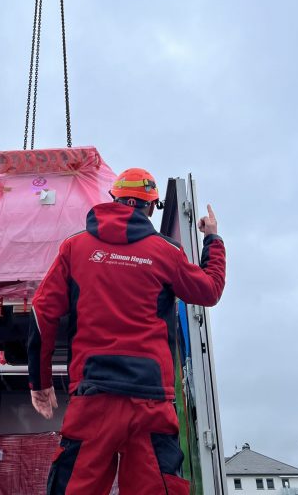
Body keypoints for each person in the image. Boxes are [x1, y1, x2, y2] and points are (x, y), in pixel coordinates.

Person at [27, 168, 226, 495]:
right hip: (151, 401)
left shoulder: (75, 247)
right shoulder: (167, 251)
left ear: (114, 199)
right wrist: (212, 239)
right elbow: (210, 290)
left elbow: (42, 313)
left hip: (93, 397)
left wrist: (40, 382)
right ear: (151, 207)